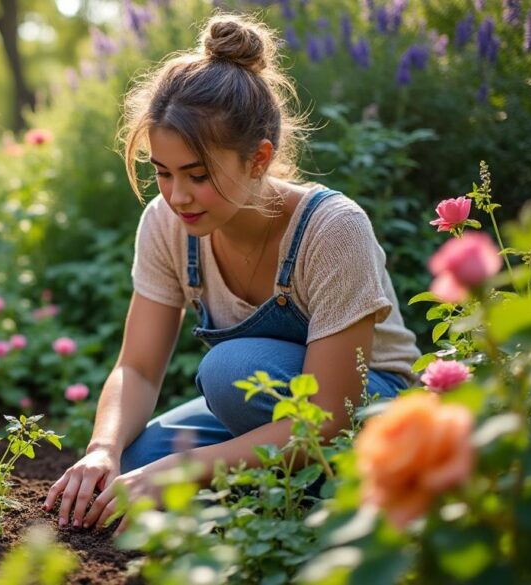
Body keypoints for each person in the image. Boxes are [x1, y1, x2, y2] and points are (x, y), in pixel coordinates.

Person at [43, 14, 420, 530]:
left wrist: (183, 470)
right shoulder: (166, 224)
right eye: (163, 173)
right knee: (132, 465)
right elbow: (138, 368)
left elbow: (330, 419)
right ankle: (279, 502)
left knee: (231, 370)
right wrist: (102, 450)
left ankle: (333, 502)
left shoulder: (333, 229)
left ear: (259, 159)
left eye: (198, 176)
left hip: (373, 413)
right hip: (272, 413)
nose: (177, 196)